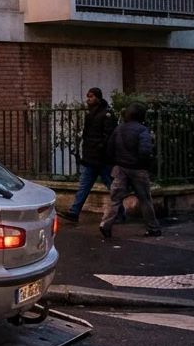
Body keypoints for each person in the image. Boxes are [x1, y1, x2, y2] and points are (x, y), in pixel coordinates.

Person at [100, 102, 160, 239]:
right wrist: (143, 165)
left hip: (120, 168)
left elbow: (109, 149)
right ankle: (153, 227)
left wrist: (117, 161)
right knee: (145, 199)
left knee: (115, 199)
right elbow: (145, 152)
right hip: (138, 170)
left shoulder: (119, 129)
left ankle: (105, 224)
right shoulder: (142, 130)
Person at [62, 88, 119, 223]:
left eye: (91, 97)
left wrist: (101, 148)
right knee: (84, 186)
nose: (88, 99)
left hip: (103, 159)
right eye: (88, 97)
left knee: (111, 186)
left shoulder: (107, 115)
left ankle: (121, 212)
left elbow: (109, 135)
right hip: (89, 158)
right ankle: (74, 212)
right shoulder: (91, 114)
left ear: (98, 98)